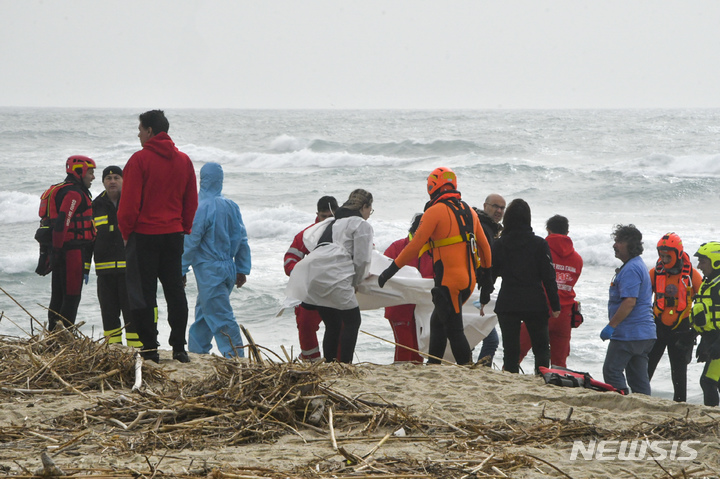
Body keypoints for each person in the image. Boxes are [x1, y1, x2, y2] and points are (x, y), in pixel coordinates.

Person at [378, 167, 492, 365]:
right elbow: (485, 247)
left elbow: (414, 246)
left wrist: (390, 270)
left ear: (432, 186)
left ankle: (467, 368)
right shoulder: (469, 212)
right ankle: (434, 365)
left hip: (450, 282)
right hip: (469, 281)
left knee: (454, 329)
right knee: (437, 322)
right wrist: (487, 277)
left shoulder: (434, 211)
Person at [118, 110, 198, 363]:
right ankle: (179, 348)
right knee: (175, 291)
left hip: (144, 235)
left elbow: (129, 204)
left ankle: (150, 348)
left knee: (144, 293)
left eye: (140, 129)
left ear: (150, 131)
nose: (138, 133)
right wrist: (183, 226)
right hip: (173, 234)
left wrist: (125, 232)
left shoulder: (139, 160)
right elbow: (191, 201)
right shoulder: (184, 160)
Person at [287, 189, 374, 363]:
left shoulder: (333, 223)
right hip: (335, 277)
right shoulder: (361, 224)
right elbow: (362, 260)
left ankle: (329, 364)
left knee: (333, 324)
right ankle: (344, 365)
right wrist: (356, 282)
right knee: (352, 321)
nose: (369, 215)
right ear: (364, 206)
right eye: (370, 210)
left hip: (313, 275)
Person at [182, 162, 251, 358]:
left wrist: (181, 268)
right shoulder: (231, 205)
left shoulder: (200, 207)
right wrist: (242, 268)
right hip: (228, 266)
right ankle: (197, 351)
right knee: (205, 313)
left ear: (202, 180)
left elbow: (191, 241)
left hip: (209, 269)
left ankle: (236, 357)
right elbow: (243, 239)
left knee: (220, 316)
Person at [484, 199, 560, 374]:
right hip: (534, 301)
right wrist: (555, 305)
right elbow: (549, 276)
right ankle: (541, 378)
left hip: (508, 301)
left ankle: (511, 380)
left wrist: (483, 298)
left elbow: (491, 274)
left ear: (508, 218)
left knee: (511, 350)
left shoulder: (500, 243)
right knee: (541, 348)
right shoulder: (539, 244)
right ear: (528, 219)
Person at [518, 215, 583, 369]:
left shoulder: (539, 250)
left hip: (539, 310)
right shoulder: (577, 259)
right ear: (567, 232)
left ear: (548, 230)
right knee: (559, 363)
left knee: (517, 352)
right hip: (564, 314)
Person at [41, 156, 97, 331]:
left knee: (57, 296)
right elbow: (62, 223)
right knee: (71, 297)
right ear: (79, 171)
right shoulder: (73, 194)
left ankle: (52, 336)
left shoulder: (61, 189)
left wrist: (52, 253)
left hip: (58, 251)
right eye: (91, 172)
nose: (93, 177)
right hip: (71, 252)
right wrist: (57, 252)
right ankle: (63, 338)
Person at [600, 224, 656, 395]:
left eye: (619, 241)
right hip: (645, 334)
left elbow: (629, 302)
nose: (615, 245)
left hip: (629, 334)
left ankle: (622, 401)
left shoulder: (631, 269)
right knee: (639, 379)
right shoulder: (637, 265)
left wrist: (611, 326)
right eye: (615, 240)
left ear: (631, 245)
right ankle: (644, 407)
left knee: (612, 371)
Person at [647, 233, 701, 402]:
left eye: (667, 255)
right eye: (661, 255)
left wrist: (696, 330)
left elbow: (704, 303)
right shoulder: (654, 273)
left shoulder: (692, 275)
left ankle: (679, 404)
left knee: (679, 373)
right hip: (657, 327)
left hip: (681, 329)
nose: (663, 259)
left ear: (678, 253)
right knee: (646, 368)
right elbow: (641, 299)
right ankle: (639, 398)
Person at [91, 166, 141, 347]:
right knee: (109, 314)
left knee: (132, 314)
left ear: (124, 180)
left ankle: (137, 351)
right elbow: (89, 239)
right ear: (103, 182)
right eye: (108, 178)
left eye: (116, 177)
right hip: (105, 273)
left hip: (129, 272)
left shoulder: (132, 202)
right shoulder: (95, 206)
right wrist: (84, 267)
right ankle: (113, 350)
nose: (112, 181)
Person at [283, 196, 338, 361]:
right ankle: (310, 360)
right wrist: (300, 273)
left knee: (341, 326)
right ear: (317, 214)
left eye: (331, 216)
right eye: (324, 216)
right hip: (311, 290)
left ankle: (338, 361)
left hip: (336, 288)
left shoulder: (345, 232)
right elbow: (289, 259)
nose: (327, 220)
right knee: (305, 322)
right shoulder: (307, 235)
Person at [383, 213, 434, 363]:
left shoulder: (433, 250)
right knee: (405, 347)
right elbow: (382, 272)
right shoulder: (397, 247)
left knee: (419, 351)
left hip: (422, 309)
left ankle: (413, 381)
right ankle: (399, 377)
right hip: (399, 308)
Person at [473, 193, 506, 365]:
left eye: (502, 208)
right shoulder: (483, 227)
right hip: (474, 290)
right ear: (485, 206)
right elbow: (486, 263)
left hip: (477, 289)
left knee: (471, 332)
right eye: (495, 206)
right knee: (490, 339)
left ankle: (468, 368)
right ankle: (476, 369)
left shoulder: (489, 227)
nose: (499, 211)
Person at [690, 242, 720, 406]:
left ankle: (712, 418)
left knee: (708, 381)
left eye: (703, 261)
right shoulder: (708, 283)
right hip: (713, 339)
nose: (699, 266)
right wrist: (696, 338)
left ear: (715, 261)